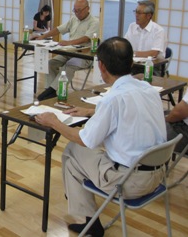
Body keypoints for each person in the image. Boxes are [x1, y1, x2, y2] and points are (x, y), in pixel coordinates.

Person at [34, 37, 167, 237]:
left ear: (101, 66)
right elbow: (128, 110)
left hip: (130, 182)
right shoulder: (148, 89)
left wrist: (54, 121)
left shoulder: (113, 99)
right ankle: (87, 218)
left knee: (72, 152)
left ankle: (89, 222)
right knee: (83, 152)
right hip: (158, 176)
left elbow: (84, 140)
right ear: (131, 63)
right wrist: (91, 111)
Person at [34, 0, 99, 101]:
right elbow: (59, 29)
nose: (77, 13)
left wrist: (68, 43)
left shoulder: (94, 22)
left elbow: (86, 38)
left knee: (69, 66)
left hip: (84, 55)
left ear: (88, 9)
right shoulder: (74, 19)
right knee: (51, 63)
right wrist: (42, 37)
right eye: (75, 10)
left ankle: (50, 92)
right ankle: (52, 91)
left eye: (79, 10)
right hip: (69, 52)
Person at [165, 90, 188, 155]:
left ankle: (148, 162)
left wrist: (164, 120)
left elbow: (177, 113)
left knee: (148, 131)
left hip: (184, 132)